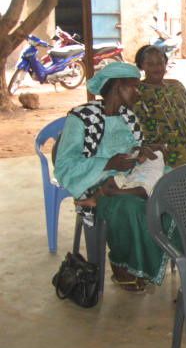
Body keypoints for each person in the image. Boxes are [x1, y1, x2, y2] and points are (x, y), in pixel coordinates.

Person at [54, 62, 173, 292]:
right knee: (131, 208)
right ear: (118, 86)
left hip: (128, 176)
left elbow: (132, 149)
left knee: (174, 188)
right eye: (134, 87)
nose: (138, 93)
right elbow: (65, 166)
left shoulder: (127, 117)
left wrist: (142, 152)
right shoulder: (81, 118)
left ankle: (177, 259)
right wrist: (108, 163)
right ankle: (124, 267)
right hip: (94, 181)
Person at [133, 45, 186, 167]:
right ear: (142, 66)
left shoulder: (176, 85)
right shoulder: (138, 91)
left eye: (160, 63)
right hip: (166, 146)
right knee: (185, 164)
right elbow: (141, 123)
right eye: (150, 64)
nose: (156, 68)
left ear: (165, 63)